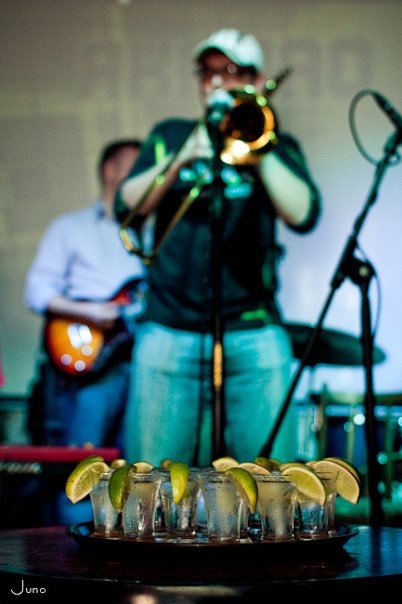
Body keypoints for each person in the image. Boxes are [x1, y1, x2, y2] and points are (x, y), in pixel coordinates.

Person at [115, 28, 321, 468]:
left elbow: (303, 214)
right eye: (207, 72)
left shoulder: (276, 144)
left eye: (229, 71)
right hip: (169, 329)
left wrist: (255, 145)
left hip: (253, 331)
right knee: (153, 479)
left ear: (255, 79)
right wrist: (183, 156)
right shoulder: (171, 134)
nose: (215, 81)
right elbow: (127, 205)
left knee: (270, 480)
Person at [25, 139, 147, 523]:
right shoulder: (70, 227)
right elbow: (37, 291)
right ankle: (69, 550)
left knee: (134, 467)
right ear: (111, 170)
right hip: (92, 360)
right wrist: (92, 312)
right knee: (83, 465)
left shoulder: (151, 234)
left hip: (141, 358)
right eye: (136, 165)